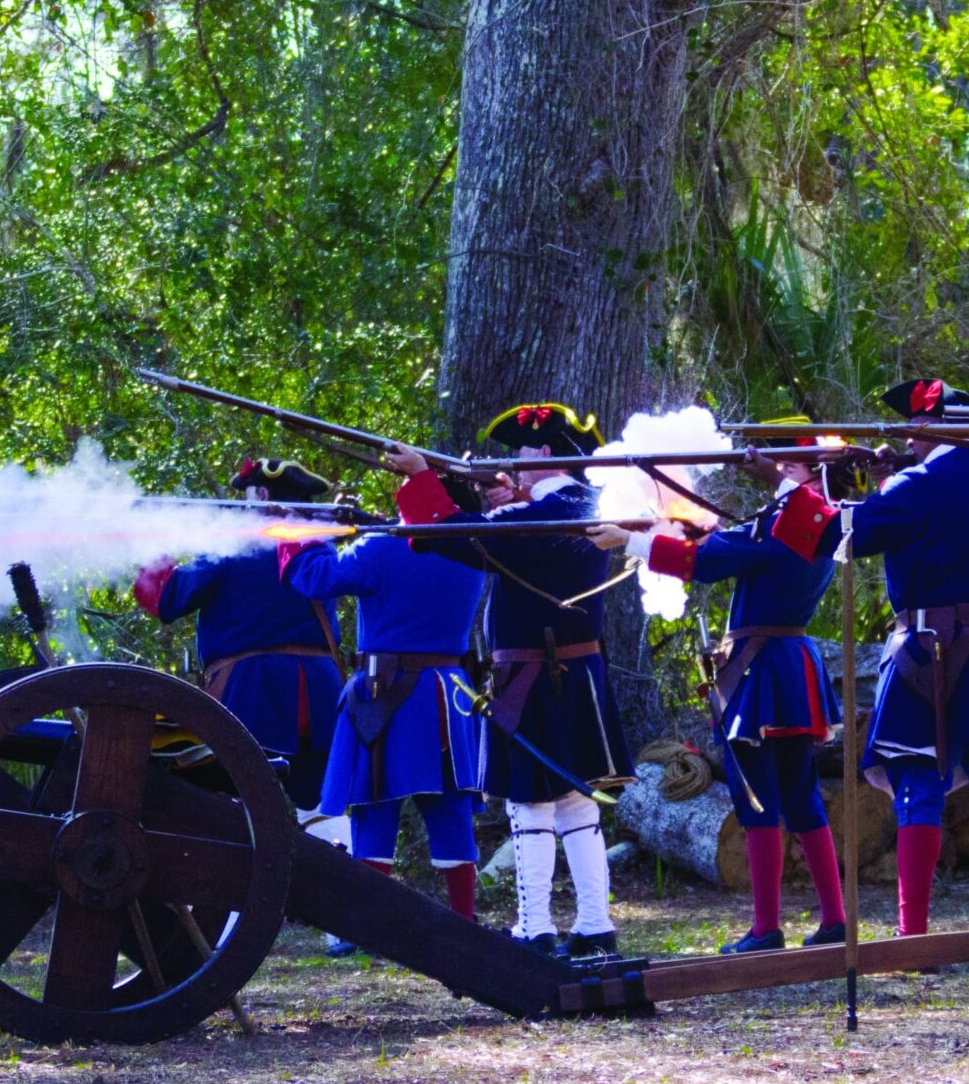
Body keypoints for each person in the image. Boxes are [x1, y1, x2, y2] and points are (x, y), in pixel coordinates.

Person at [779, 378, 969, 963]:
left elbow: (840, 534)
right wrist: (882, 477)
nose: (906, 439)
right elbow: (907, 517)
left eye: (913, 428)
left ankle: (915, 938)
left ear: (926, 427)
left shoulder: (920, 482)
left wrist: (793, 485)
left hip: (929, 647)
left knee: (916, 788)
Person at [589, 436, 846, 954]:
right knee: (800, 798)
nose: (777, 474)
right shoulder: (809, 526)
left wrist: (632, 541)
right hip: (789, 668)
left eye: (788, 465)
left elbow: (709, 563)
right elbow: (726, 547)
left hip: (763, 672)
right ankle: (833, 920)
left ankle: (766, 929)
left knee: (758, 801)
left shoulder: (793, 523)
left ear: (809, 474)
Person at [390, 403, 629, 958]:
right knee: (574, 803)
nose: (511, 464)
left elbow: (454, 537)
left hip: (534, 675)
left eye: (520, 453)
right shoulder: (580, 505)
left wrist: (423, 478)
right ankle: (593, 925)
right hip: (571, 673)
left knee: (530, 806)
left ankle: (535, 928)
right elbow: (490, 536)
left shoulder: (547, 516)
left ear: (543, 453)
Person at [134, 457, 351, 864]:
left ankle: (233, 916)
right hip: (319, 693)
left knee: (236, 802)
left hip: (253, 691)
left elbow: (166, 599)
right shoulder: (320, 543)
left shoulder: (237, 545)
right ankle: (349, 918)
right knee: (322, 806)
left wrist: (152, 543)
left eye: (246, 495)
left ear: (263, 496)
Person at [280, 511, 489, 922]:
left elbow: (314, 578)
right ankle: (464, 920)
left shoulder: (380, 546)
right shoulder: (473, 548)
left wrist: (300, 532)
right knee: (451, 811)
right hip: (448, 693)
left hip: (385, 691)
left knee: (373, 807)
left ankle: (370, 923)